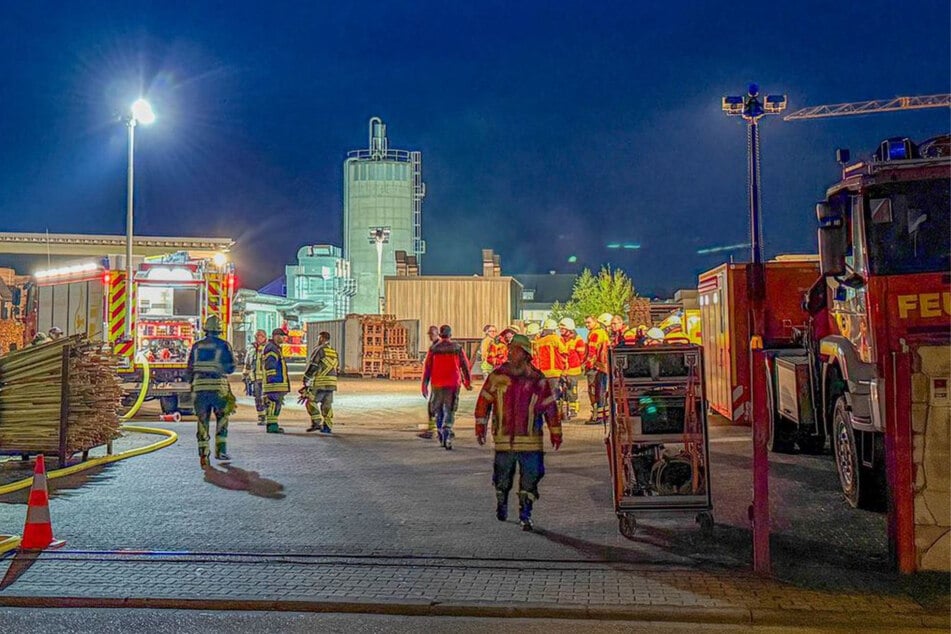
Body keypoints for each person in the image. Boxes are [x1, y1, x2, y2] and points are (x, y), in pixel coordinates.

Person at [474, 334, 562, 531]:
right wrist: (480, 426)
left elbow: (550, 407)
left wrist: (556, 432)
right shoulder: (497, 376)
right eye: (510, 349)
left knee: (531, 477)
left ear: (525, 354)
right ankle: (502, 502)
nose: (510, 352)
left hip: (531, 440)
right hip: (504, 439)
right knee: (502, 477)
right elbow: (483, 401)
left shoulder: (537, 379)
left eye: (514, 349)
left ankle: (525, 513)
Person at [186, 316, 237, 467]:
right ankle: (220, 451)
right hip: (218, 388)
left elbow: (189, 368)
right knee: (222, 418)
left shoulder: (196, 346)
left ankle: (203, 454)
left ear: (206, 329)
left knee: (202, 421)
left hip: (199, 389)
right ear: (219, 330)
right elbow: (231, 367)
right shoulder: (224, 345)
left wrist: (192, 384)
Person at [421, 325, 472, 449]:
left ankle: (440, 432)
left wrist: (424, 385)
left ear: (440, 334)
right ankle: (447, 433)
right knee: (449, 409)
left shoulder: (433, 348)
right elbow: (465, 365)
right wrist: (467, 382)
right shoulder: (457, 348)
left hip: (437, 384)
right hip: (453, 384)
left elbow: (427, 368)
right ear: (450, 334)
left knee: (438, 409)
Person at [300, 331, 339, 434]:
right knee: (327, 405)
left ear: (321, 338)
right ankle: (327, 427)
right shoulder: (333, 351)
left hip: (320, 382)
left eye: (318, 338)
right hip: (331, 383)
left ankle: (316, 422)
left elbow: (314, 365)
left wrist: (306, 377)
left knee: (310, 401)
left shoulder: (319, 350)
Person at [584, 313, 612, 425]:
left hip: (596, 367)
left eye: (589, 322)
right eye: (585, 323)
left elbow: (592, 352)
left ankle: (598, 417)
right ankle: (603, 415)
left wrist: (587, 365)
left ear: (597, 322)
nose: (586, 325)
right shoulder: (602, 333)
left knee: (595, 392)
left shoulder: (595, 334)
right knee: (601, 391)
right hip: (603, 367)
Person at [261, 328, 290, 434]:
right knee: (273, 403)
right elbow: (270, 365)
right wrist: (272, 380)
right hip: (274, 383)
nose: (283, 338)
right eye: (281, 336)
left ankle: (273, 425)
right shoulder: (271, 348)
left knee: (275, 403)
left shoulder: (274, 348)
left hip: (277, 383)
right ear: (276, 336)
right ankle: (272, 426)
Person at [559, 318, 586, 419]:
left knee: (572, 391)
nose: (560, 330)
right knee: (563, 392)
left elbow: (581, 356)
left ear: (569, 329)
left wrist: (579, 364)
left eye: (563, 328)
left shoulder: (577, 340)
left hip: (573, 371)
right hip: (562, 371)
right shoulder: (560, 339)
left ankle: (573, 410)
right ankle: (564, 411)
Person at [533, 319, 567, 398]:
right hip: (555, 371)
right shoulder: (555, 338)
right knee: (554, 394)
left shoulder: (539, 342)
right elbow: (564, 351)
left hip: (543, 372)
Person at [243, 329, 268, 425]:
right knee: (257, 397)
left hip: (266, 378)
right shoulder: (251, 348)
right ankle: (261, 416)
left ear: (264, 337)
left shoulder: (268, 347)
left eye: (261, 336)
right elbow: (247, 363)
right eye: (257, 336)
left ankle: (268, 416)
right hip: (255, 378)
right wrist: (245, 375)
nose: (258, 338)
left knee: (266, 397)